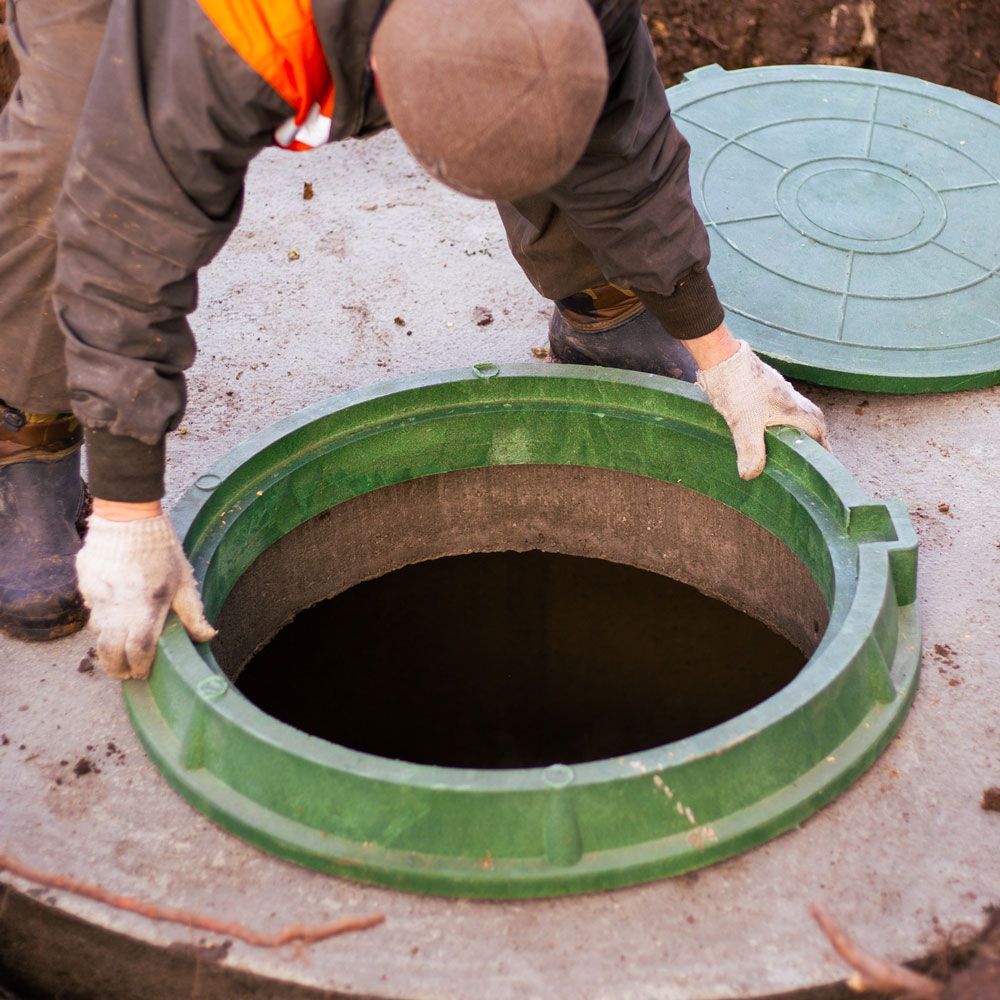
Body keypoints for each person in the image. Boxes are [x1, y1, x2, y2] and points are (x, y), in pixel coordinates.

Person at [0, 0, 828, 678]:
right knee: (75, 142)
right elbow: (125, 242)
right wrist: (128, 507)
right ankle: (28, 430)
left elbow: (623, 136)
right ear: (380, 80)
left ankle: (607, 303)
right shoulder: (242, 30)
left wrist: (717, 348)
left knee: (541, 94)